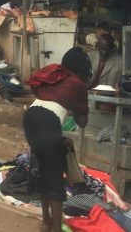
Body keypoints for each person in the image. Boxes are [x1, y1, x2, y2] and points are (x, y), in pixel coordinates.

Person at [25, 47, 91, 232]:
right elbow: (82, 122)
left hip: (31, 118)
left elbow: (46, 100)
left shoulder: (56, 74)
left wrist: (58, 138)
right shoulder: (77, 83)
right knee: (54, 180)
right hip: (47, 123)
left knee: (46, 174)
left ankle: (46, 223)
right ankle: (56, 228)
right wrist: (83, 102)